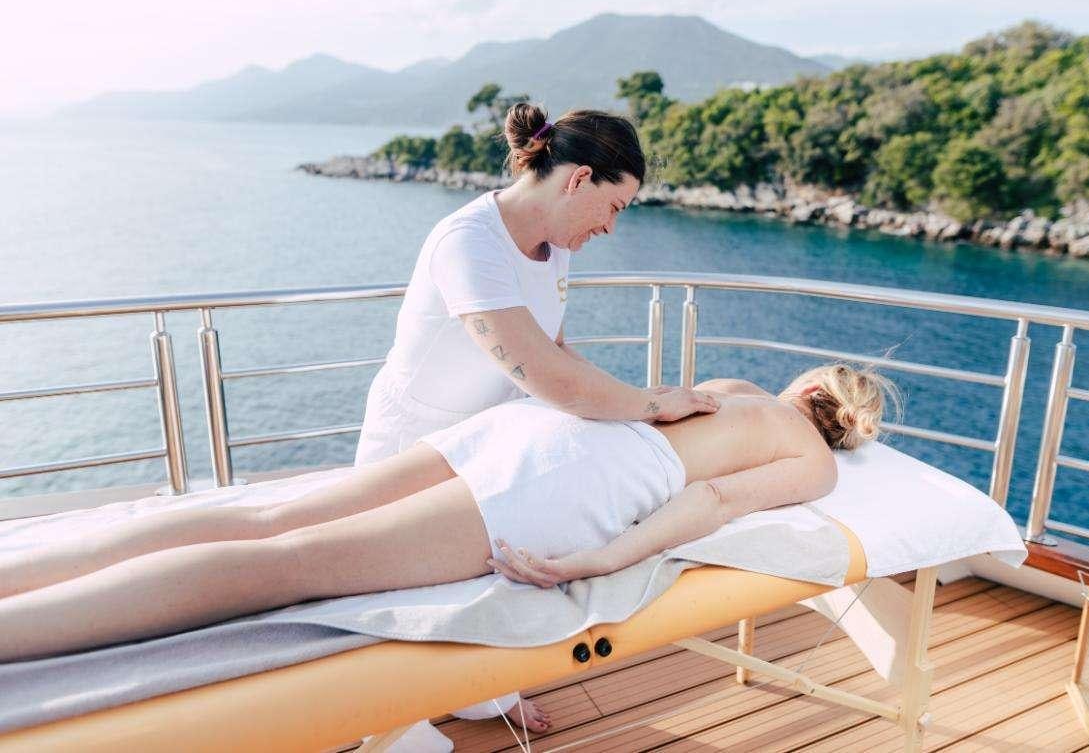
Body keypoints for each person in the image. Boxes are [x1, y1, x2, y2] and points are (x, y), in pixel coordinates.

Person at [0, 365, 899, 683]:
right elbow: (705, 504)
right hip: (570, 477)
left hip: (535, 428)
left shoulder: (745, 390)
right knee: (288, 564)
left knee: (264, 514)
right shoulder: (811, 459)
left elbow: (662, 415)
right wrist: (601, 556)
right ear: (847, 431)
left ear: (810, 388)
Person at [353, 103, 719, 733]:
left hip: (485, 436)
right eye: (616, 206)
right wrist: (653, 406)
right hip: (414, 437)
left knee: (486, 576)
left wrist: (634, 402)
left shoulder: (554, 248)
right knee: (396, 590)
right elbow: (544, 376)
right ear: (579, 180)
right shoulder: (468, 242)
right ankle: (392, 720)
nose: (610, 228)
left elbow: (553, 347)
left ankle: (483, 691)